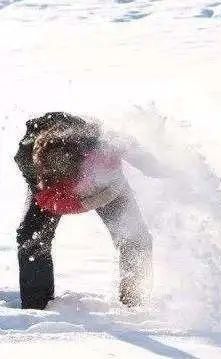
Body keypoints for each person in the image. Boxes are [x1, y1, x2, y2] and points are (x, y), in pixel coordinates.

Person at [14, 112, 168, 309]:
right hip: (53, 190)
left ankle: (135, 302)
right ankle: (36, 306)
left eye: (71, 177)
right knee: (31, 237)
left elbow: (136, 151)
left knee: (135, 238)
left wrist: (163, 169)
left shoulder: (103, 146)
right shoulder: (31, 162)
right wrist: (77, 199)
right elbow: (49, 201)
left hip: (105, 186)